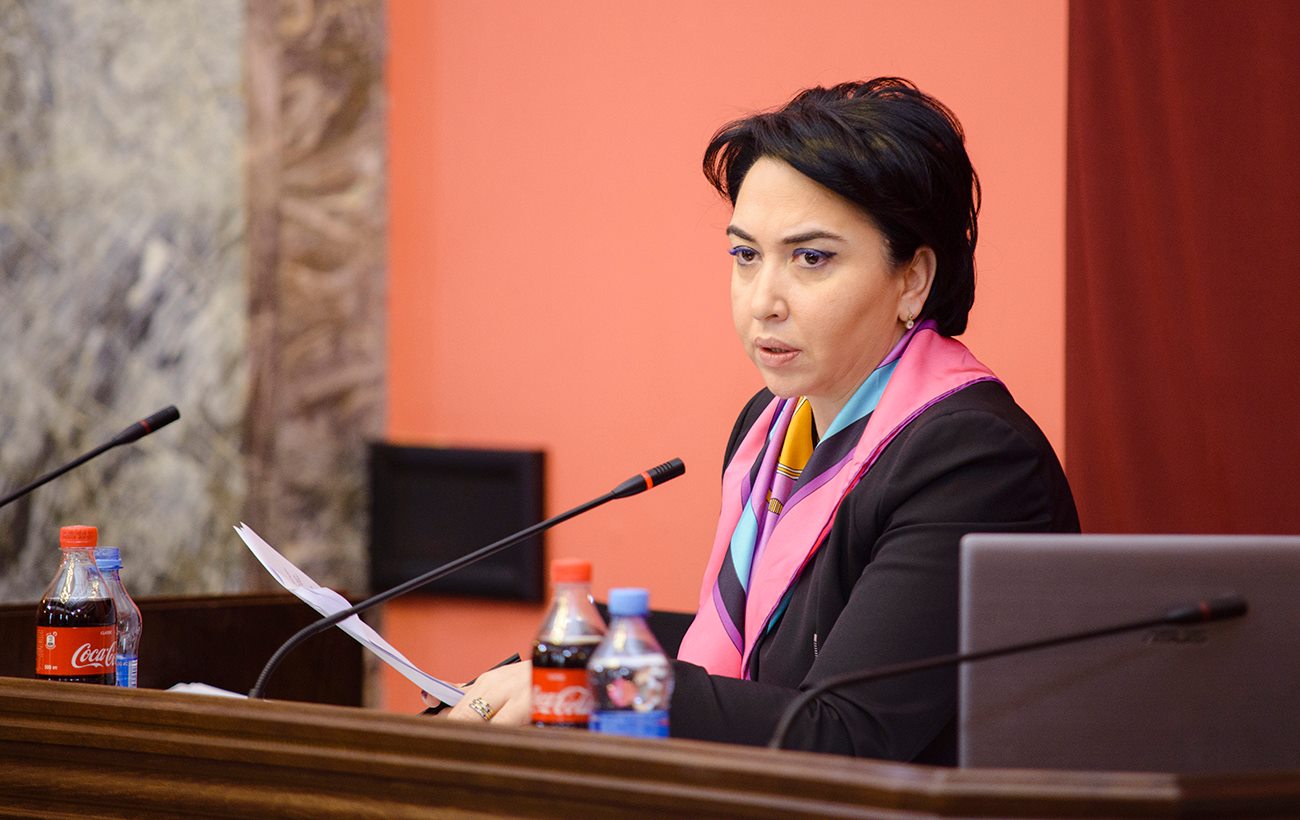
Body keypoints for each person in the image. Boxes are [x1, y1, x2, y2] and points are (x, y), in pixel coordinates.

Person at [436, 78, 1079, 764]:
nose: (763, 301)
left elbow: (845, 735)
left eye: (811, 258)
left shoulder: (972, 457)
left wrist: (604, 686)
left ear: (912, 280)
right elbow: (766, 658)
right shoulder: (771, 425)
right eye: (745, 255)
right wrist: (576, 660)